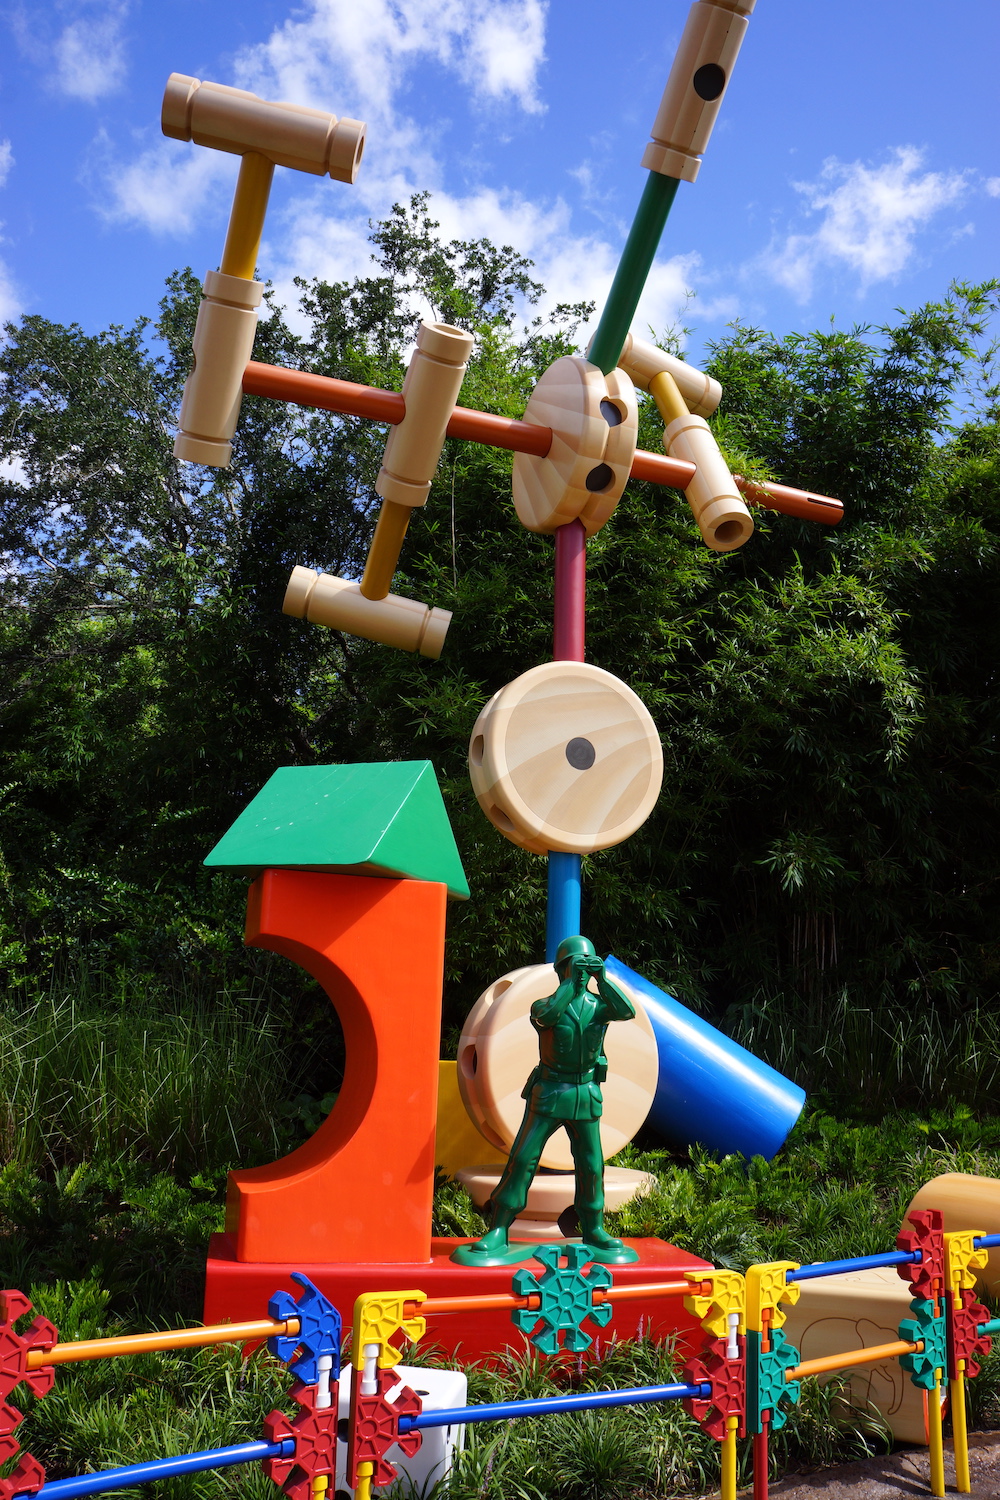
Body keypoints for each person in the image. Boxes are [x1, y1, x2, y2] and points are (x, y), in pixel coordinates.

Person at [454, 935, 638, 1265]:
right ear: (561, 969)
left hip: (585, 1094)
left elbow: (626, 1011)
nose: (580, 971)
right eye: (573, 965)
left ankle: (594, 1227)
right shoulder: (544, 1004)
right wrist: (570, 983)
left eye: (584, 965)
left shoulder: (599, 1007)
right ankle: (500, 1227)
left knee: (591, 1164)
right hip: (551, 1091)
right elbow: (548, 1016)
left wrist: (602, 979)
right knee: (524, 1157)